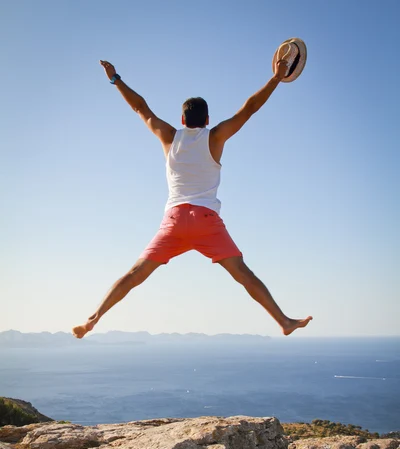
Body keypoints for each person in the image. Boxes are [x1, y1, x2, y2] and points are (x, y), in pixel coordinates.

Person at [72, 58, 312, 339]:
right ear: (207, 120)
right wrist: (275, 79)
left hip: (174, 220)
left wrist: (115, 80)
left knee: (135, 273)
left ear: (183, 119)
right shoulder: (216, 137)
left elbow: (141, 107)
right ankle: (283, 321)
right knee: (243, 274)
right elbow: (250, 108)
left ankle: (93, 319)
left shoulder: (169, 136)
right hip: (206, 221)